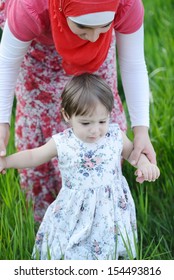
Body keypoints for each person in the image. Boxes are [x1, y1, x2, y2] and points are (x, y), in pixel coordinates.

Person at [0, 0, 156, 221]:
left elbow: (133, 63)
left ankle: (98, 208)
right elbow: (6, 63)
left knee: (95, 111)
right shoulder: (31, 7)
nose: (93, 36)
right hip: (40, 60)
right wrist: (1, 123)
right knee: (39, 124)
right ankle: (45, 215)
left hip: (97, 60)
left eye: (104, 25)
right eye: (83, 27)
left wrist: (141, 130)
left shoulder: (126, 4)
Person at [0, 73, 160, 260]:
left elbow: (133, 153)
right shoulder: (63, 142)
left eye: (102, 121)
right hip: (75, 209)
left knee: (110, 247)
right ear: (67, 115)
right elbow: (33, 155)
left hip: (111, 209)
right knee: (72, 250)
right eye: (85, 123)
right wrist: (5, 161)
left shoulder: (115, 135)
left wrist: (145, 164)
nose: (95, 130)